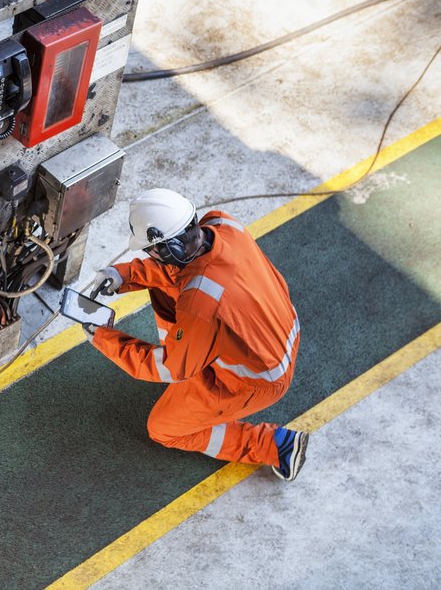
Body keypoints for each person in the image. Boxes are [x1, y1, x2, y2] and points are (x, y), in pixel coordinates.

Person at [86, 188, 308, 481]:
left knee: (163, 429)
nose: (149, 255)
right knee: (166, 288)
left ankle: (275, 445)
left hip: (252, 381)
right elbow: (177, 271)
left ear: (169, 248)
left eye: (150, 250)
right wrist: (124, 275)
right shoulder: (222, 225)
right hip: (275, 336)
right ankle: (190, 356)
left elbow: (168, 366)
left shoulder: (200, 304)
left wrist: (102, 336)